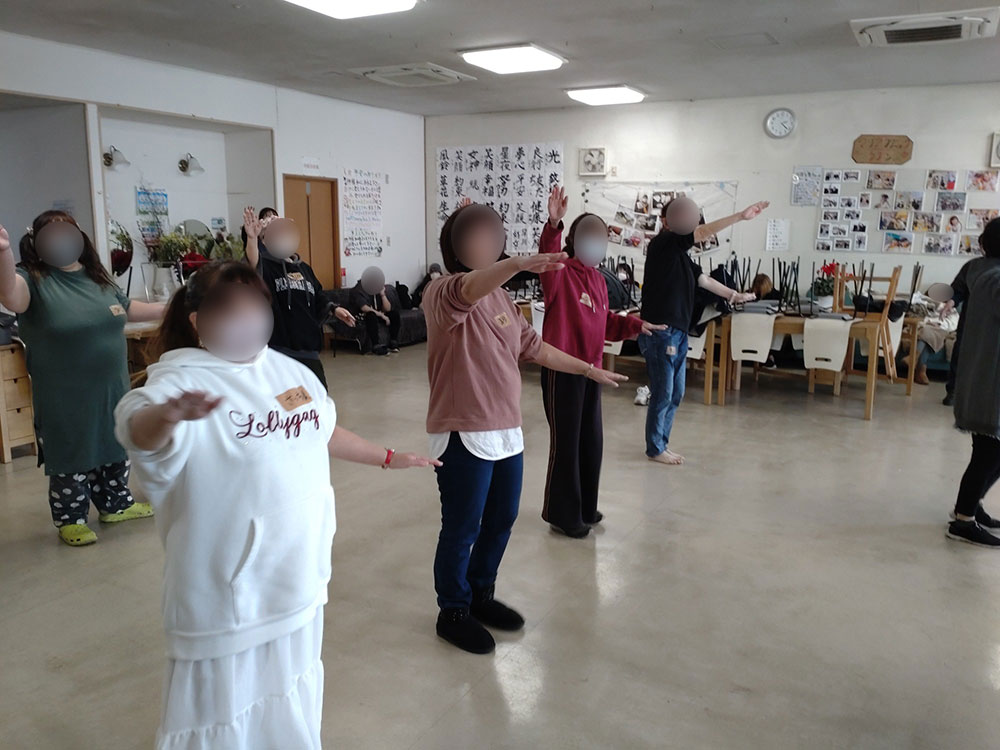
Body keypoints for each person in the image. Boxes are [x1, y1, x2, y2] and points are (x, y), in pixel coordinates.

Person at [114, 261, 439, 747]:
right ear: (198, 320)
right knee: (224, 712)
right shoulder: (177, 383)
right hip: (229, 599)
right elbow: (138, 430)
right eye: (232, 309)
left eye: (256, 306)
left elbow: (322, 428)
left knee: (291, 690)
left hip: (297, 578)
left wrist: (388, 457)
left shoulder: (288, 370)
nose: (248, 318)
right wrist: (168, 415)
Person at [424, 202, 627, 654]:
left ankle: (481, 593)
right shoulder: (442, 290)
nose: (488, 242)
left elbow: (535, 347)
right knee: (462, 527)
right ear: (455, 246)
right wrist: (516, 264)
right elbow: (470, 288)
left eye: (493, 235)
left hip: (506, 430)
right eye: (476, 236)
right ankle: (452, 610)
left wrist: (587, 369)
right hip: (462, 432)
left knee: (502, 519)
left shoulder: (501, 298)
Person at [0, 213, 163, 546]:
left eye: (66, 231)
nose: (60, 239)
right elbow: (10, 296)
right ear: (36, 241)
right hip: (64, 395)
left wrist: (173, 306)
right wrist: (2, 252)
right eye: (51, 233)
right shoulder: (31, 278)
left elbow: (129, 308)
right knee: (72, 451)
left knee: (115, 444)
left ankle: (116, 504)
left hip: (111, 388)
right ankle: (70, 519)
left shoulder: (95, 275)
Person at [537, 186, 662, 538]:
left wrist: (635, 325)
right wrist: (553, 223)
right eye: (588, 234)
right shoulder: (560, 271)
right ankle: (563, 515)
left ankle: (585, 507)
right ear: (574, 239)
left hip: (593, 371)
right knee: (567, 443)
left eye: (601, 236)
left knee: (590, 440)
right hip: (563, 369)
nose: (596, 241)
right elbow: (546, 257)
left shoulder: (598, 278)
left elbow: (603, 321)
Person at [639, 197, 767, 465]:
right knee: (664, 393)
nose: (689, 221)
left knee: (676, 393)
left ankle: (661, 443)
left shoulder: (682, 257)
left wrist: (734, 295)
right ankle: (655, 448)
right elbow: (702, 232)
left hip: (678, 333)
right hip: (661, 332)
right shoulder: (663, 244)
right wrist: (739, 217)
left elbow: (704, 280)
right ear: (666, 221)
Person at [243, 206, 355, 389]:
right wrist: (252, 238)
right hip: (279, 352)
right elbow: (252, 262)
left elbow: (318, 294)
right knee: (287, 403)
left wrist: (335, 309)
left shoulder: (304, 268)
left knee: (318, 398)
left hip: (309, 350)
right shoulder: (266, 266)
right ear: (266, 240)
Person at [947, 219, 1000, 547]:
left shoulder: (982, 271)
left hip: (983, 374)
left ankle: (970, 507)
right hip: (989, 379)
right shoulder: (993, 277)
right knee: (988, 453)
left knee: (988, 451)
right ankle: (963, 520)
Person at [348, 266, 401, 355]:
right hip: (361, 316)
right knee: (371, 315)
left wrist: (383, 295)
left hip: (378, 314)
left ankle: (393, 342)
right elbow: (364, 308)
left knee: (394, 314)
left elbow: (387, 309)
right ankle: (375, 345)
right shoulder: (358, 289)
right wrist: (382, 315)